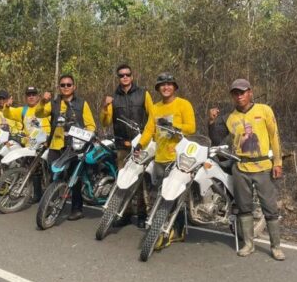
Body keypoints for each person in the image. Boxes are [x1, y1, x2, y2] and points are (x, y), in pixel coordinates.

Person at [226, 78, 285, 261]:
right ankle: (248, 244)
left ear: (250, 92)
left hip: (262, 167)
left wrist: (277, 162)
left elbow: (274, 136)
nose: (239, 96)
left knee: (269, 207)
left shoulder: (264, 110)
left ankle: (276, 246)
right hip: (241, 167)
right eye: (236, 93)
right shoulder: (231, 118)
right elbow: (224, 140)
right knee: (244, 207)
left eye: (242, 92)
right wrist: (212, 122)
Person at [136, 72, 196, 244]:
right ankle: (163, 228)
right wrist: (140, 145)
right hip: (161, 158)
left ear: (174, 87)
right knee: (163, 194)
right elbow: (149, 130)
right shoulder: (155, 108)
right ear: (158, 89)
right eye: (162, 85)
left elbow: (191, 127)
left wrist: (174, 126)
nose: (166, 87)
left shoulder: (183, 104)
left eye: (169, 84)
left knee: (176, 195)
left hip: (179, 158)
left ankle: (178, 230)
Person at [36, 75, 96, 220]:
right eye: (63, 85)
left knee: (74, 178)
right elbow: (39, 113)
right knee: (54, 176)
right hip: (56, 145)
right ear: (59, 87)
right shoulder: (53, 103)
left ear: (74, 87)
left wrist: (88, 135)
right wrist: (43, 101)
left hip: (75, 146)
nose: (66, 87)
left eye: (69, 85)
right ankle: (52, 204)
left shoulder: (82, 103)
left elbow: (91, 125)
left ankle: (77, 209)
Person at [100, 63, 153, 224]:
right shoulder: (113, 97)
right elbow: (105, 122)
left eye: (127, 74)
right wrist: (105, 106)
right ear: (118, 77)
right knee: (124, 180)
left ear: (132, 76)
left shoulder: (143, 93)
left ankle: (143, 215)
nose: (124, 77)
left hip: (141, 145)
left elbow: (152, 117)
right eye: (121, 75)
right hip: (122, 144)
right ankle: (126, 213)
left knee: (142, 180)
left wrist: (146, 139)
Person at [0, 86, 52, 202]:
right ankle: (37, 194)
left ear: (38, 96)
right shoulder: (22, 110)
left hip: (46, 144)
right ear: (26, 97)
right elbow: (8, 114)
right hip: (30, 146)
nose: (31, 97)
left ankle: (53, 194)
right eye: (29, 95)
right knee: (34, 169)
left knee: (51, 169)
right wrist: (7, 106)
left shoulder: (46, 107)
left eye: (33, 94)